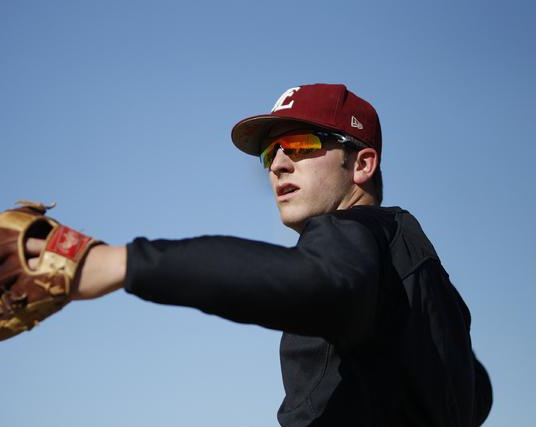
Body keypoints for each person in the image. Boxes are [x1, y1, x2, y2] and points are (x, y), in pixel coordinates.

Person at [28, 83, 493, 426]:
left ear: (362, 164)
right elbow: (480, 393)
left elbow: (316, 283)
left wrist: (119, 262)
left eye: (301, 143)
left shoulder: (347, 231)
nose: (277, 164)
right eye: (270, 151)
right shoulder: (434, 291)